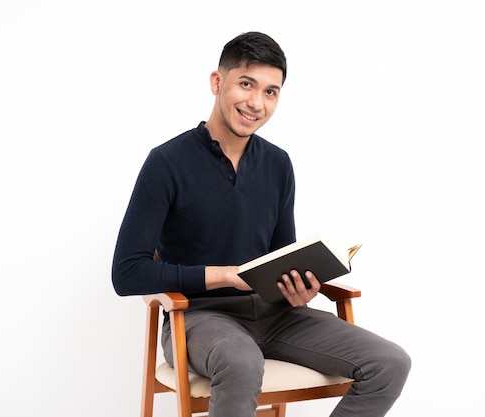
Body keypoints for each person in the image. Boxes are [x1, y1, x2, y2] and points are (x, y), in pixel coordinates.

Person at [112, 31, 410, 417]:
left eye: (271, 91)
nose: (256, 102)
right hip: (199, 317)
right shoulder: (167, 162)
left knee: (389, 363)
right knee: (241, 361)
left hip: (275, 314)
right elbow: (127, 273)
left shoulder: (278, 164)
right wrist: (224, 276)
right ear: (218, 82)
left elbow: (282, 254)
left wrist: (298, 288)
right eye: (246, 84)